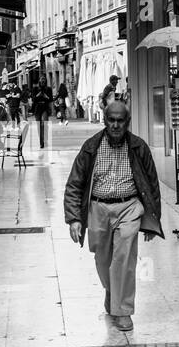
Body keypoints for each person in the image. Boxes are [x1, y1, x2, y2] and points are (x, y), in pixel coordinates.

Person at [64, 100, 163, 333]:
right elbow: (75, 184)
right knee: (103, 260)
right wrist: (74, 218)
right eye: (112, 120)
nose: (116, 125)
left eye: (120, 121)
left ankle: (123, 311)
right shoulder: (91, 147)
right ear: (105, 120)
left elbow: (152, 184)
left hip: (129, 207)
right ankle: (112, 292)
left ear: (127, 122)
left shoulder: (139, 147)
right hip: (98, 209)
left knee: (124, 259)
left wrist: (152, 220)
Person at [31, 76, 53, 149]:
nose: (43, 81)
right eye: (41, 79)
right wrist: (39, 94)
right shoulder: (35, 89)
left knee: (45, 124)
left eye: (44, 79)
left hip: (45, 107)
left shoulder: (48, 89)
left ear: (46, 81)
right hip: (37, 108)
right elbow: (33, 99)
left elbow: (51, 99)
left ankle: (45, 140)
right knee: (39, 126)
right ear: (39, 81)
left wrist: (45, 96)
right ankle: (41, 142)